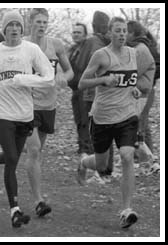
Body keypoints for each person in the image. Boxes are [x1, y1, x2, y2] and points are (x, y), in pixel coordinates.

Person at [0, 10, 55, 228]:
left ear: (22, 29)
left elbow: (48, 77)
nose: (14, 29)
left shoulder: (31, 49)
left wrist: (25, 79)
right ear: (4, 29)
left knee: (12, 157)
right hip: (2, 113)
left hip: (25, 115)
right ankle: (15, 211)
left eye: (17, 25)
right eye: (10, 25)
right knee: (12, 158)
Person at [76, 17, 152, 229]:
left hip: (127, 116)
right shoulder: (101, 55)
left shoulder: (132, 54)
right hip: (102, 118)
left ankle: (126, 210)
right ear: (110, 33)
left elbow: (134, 81)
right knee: (101, 165)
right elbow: (82, 83)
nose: (121, 34)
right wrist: (103, 80)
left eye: (124, 31)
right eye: (117, 30)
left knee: (127, 156)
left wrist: (135, 89)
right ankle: (83, 162)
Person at [21, 8, 74, 217]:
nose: (42, 25)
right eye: (38, 22)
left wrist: (64, 78)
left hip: (48, 106)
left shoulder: (56, 45)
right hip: (26, 105)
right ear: (31, 22)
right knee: (33, 150)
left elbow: (70, 71)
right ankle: (39, 201)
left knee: (34, 151)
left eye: (45, 22)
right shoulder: (22, 45)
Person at [73, 11, 115, 179]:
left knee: (103, 133)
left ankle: (103, 170)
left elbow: (80, 64)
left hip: (98, 94)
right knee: (104, 133)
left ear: (93, 26)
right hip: (100, 94)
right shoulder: (105, 42)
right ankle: (103, 171)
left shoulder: (93, 42)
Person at [126, 20, 159, 157]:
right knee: (141, 124)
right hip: (144, 90)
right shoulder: (144, 46)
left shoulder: (142, 49)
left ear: (132, 33)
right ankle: (143, 156)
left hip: (144, 91)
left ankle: (148, 158)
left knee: (141, 126)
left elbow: (133, 71)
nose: (124, 35)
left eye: (126, 31)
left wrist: (148, 81)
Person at [68, 22, 94, 155]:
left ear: (85, 35)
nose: (76, 35)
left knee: (85, 119)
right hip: (75, 89)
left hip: (85, 89)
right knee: (78, 119)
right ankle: (81, 144)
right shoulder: (71, 50)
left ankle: (88, 147)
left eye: (79, 32)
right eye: (74, 32)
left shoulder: (88, 49)